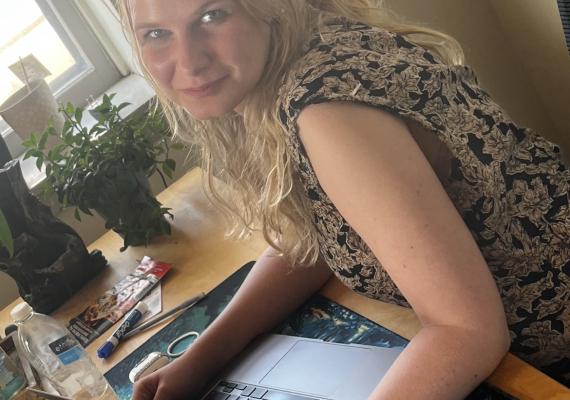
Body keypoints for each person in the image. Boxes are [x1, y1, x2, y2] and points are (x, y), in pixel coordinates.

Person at [116, 0, 569, 398]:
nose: (189, 61)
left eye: (213, 15)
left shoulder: (327, 113)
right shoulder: (303, 43)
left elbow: (468, 331)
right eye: (156, 33)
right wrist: (200, 361)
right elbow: (317, 236)